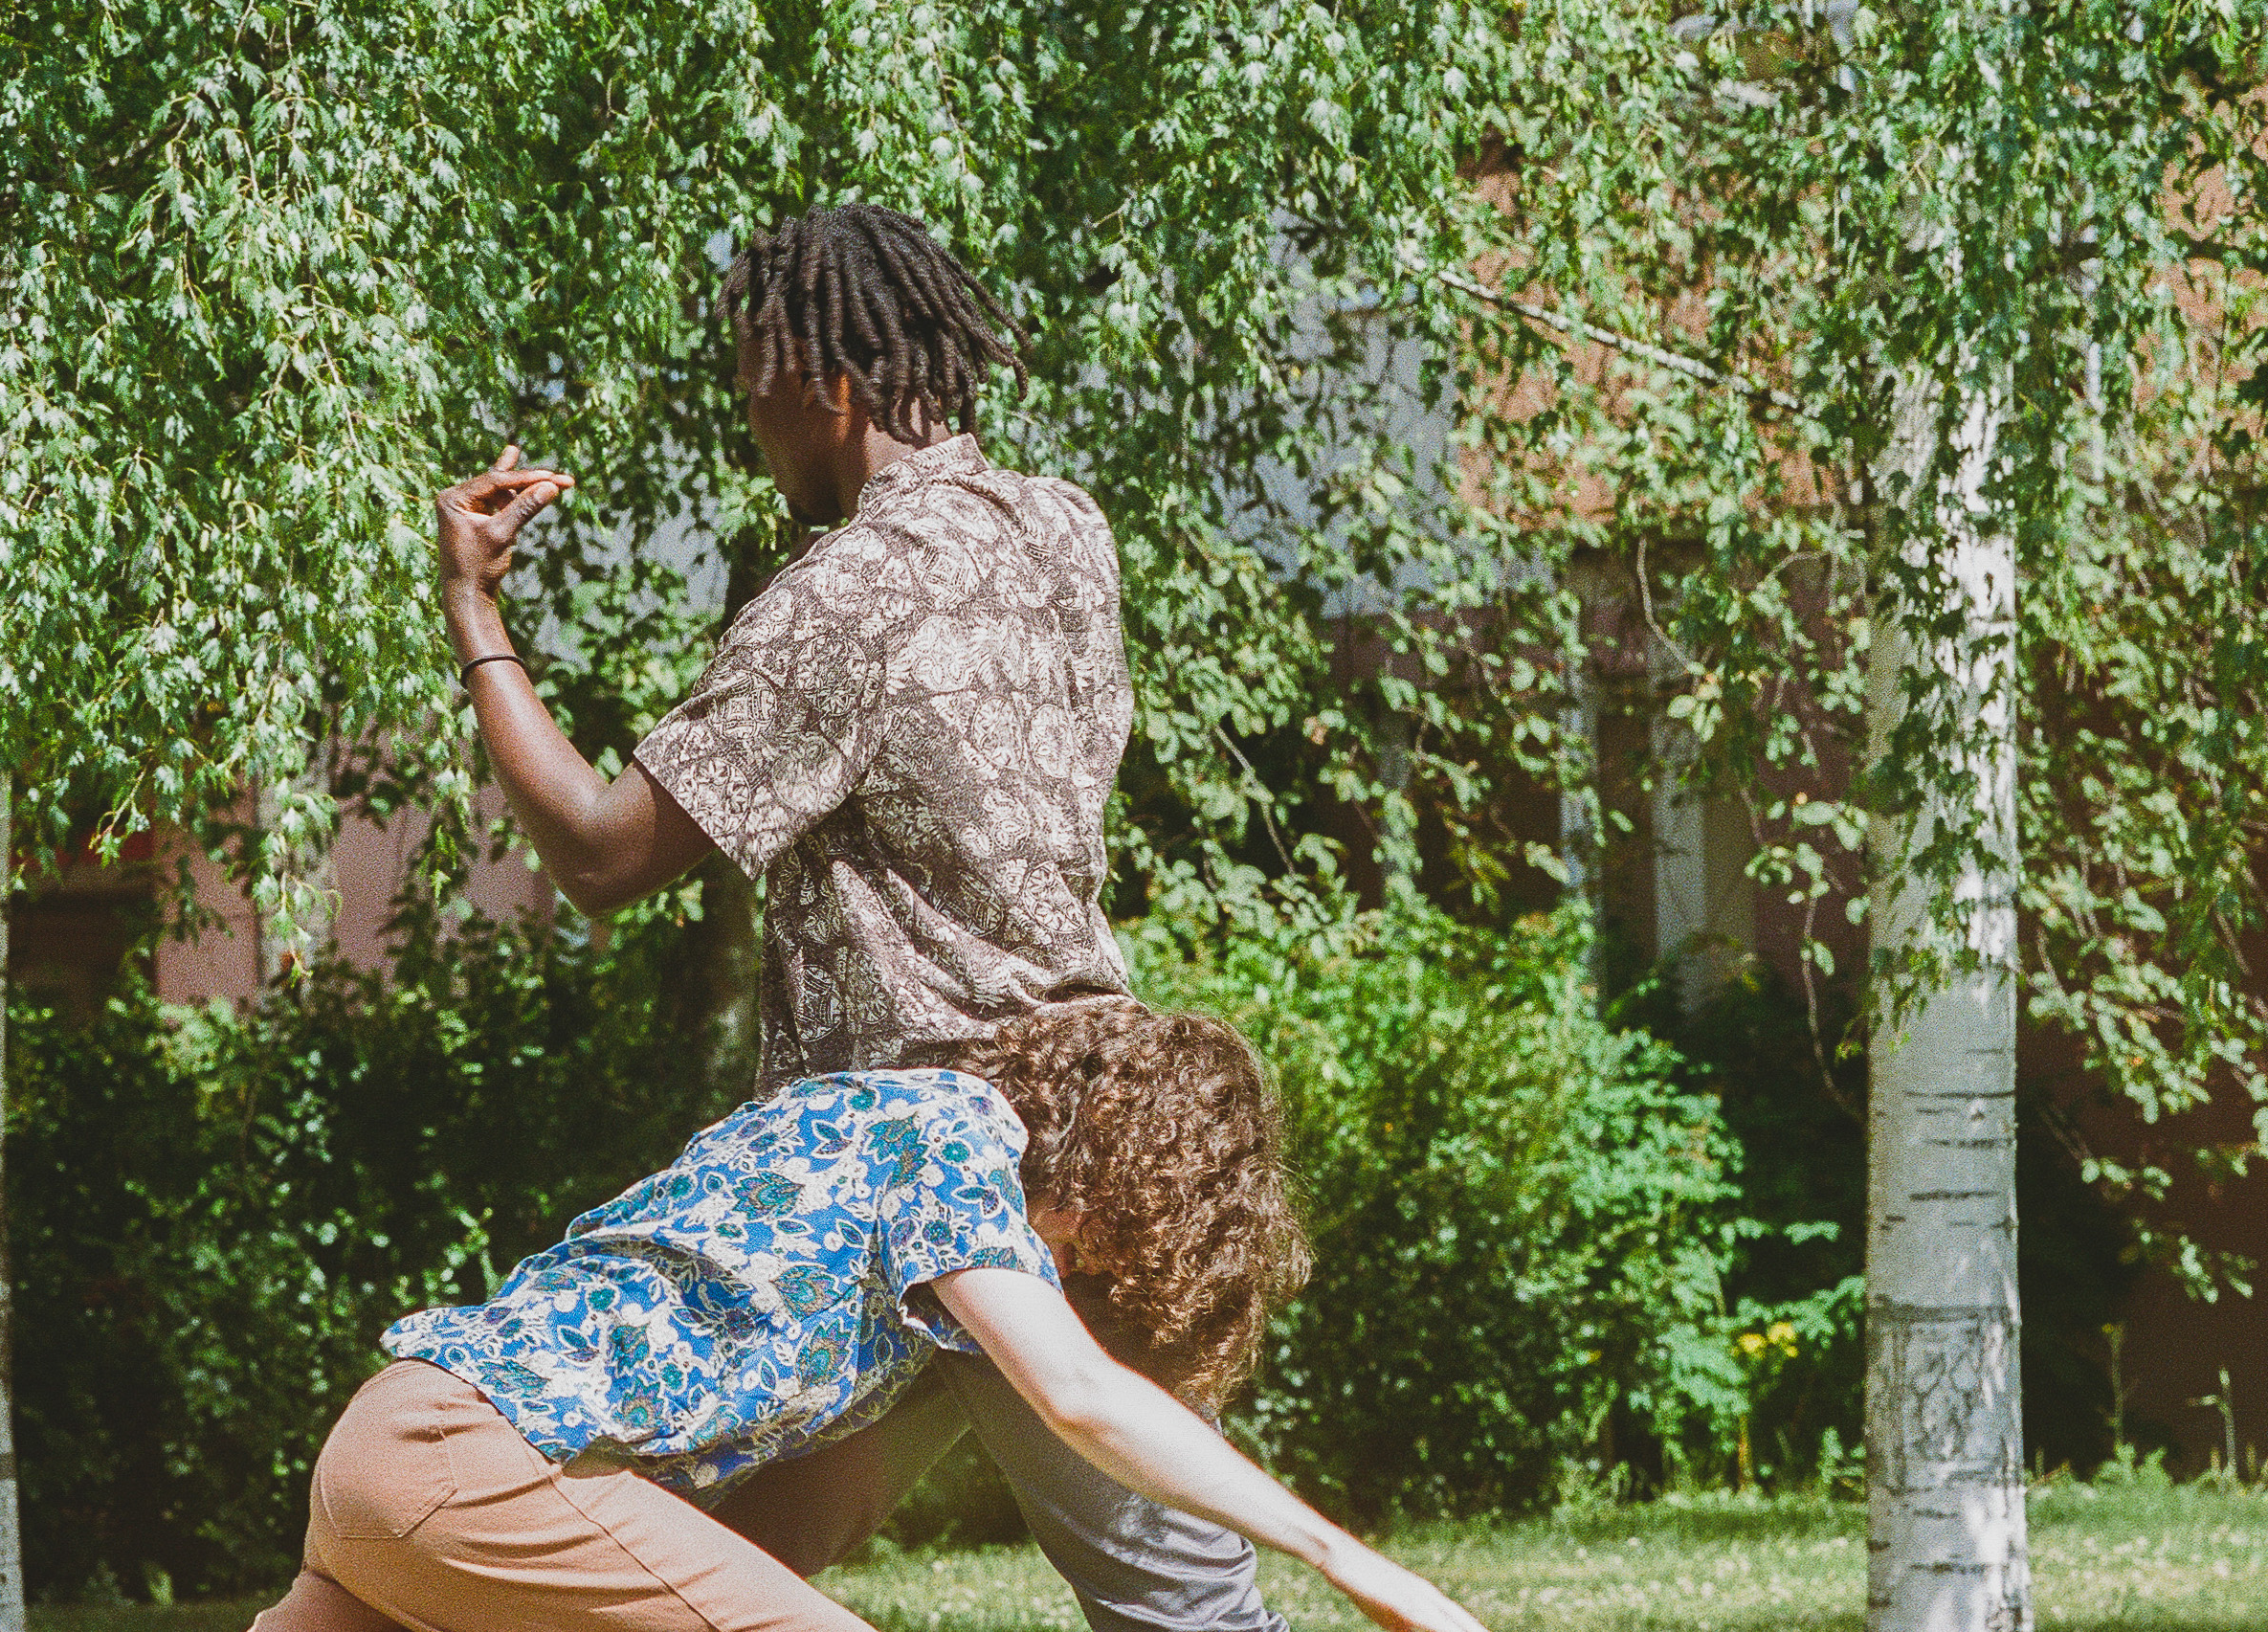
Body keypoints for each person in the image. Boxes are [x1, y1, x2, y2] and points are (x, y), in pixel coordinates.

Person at [430, 203, 1297, 1628]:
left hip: (945, 1171)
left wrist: (474, 607)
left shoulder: (844, 595)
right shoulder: (1065, 529)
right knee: (729, 1557)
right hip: (1092, 1111)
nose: (747, 418)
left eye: (753, 383)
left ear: (828, 386)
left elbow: (597, 850)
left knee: (1184, 1603)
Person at [247, 1001, 1489, 1632]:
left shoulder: (872, 1163)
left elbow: (787, 1531)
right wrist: (1354, 1561)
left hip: (387, 1450)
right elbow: (1081, 1395)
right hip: (495, 1461)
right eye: (1118, 1241)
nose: (1090, 1271)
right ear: (1127, 1176)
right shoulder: (954, 1134)